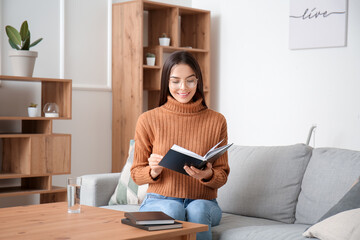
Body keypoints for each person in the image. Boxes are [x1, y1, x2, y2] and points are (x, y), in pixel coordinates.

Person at [131, 51, 230, 240]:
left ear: (198, 81)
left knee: (198, 209)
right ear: (166, 83)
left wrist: (207, 174)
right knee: (173, 208)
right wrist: (153, 171)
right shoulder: (148, 119)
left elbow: (223, 175)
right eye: (175, 81)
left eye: (190, 80)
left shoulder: (217, 120)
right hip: (159, 201)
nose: (183, 87)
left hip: (205, 202)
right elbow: (136, 174)